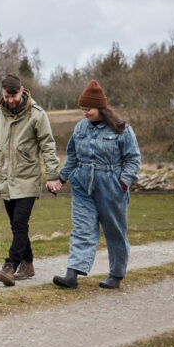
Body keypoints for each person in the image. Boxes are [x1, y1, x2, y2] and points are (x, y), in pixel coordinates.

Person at [52, 80, 141, 290]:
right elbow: (73, 156)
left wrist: (123, 183)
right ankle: (72, 274)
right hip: (83, 183)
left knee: (114, 231)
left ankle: (116, 274)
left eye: (88, 109)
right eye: (82, 109)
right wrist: (61, 178)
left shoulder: (122, 129)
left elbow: (133, 159)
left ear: (101, 107)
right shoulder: (80, 127)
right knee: (82, 227)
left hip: (111, 185)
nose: (84, 113)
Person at [0, 73, 62, 286]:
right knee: (16, 225)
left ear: (21, 91)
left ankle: (10, 266)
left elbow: (48, 145)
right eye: (5, 96)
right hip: (6, 178)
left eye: (12, 95)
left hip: (28, 178)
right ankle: (28, 264)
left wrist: (53, 175)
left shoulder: (37, 115)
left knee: (19, 223)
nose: (9, 100)